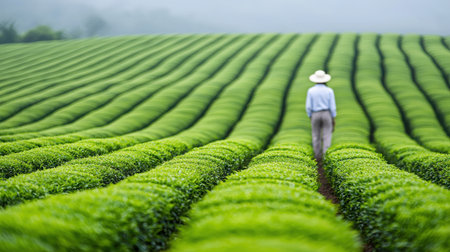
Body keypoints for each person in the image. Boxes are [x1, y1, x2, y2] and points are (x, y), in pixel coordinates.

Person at [305, 70, 336, 162]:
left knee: (315, 135)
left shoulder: (311, 91)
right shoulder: (329, 90)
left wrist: (310, 116)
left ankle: (317, 156)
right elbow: (332, 106)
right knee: (327, 135)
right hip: (326, 113)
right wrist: (333, 118)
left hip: (315, 114)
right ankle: (325, 156)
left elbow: (308, 106)